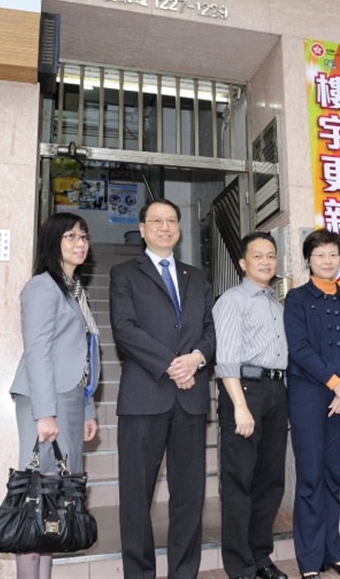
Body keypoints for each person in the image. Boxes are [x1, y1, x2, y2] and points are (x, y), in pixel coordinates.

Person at [109, 198, 216, 579]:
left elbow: (209, 330)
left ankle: (183, 573)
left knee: (189, 497)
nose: (165, 227)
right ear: (142, 229)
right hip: (144, 397)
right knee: (137, 497)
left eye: (172, 220)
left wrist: (197, 359)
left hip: (191, 398)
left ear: (179, 228)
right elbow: (125, 330)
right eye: (156, 221)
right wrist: (173, 364)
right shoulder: (124, 274)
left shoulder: (197, 276)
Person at [9, 212, 100, 579]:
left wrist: (88, 405)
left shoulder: (74, 289)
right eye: (70, 237)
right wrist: (45, 413)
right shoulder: (42, 287)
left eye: (84, 236)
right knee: (35, 497)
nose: (80, 243)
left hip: (71, 399)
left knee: (55, 501)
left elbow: (83, 355)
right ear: (52, 242)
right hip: (45, 400)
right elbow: (37, 351)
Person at [284, 229, 340, 579]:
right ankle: (311, 561)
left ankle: (334, 552)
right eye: (320, 255)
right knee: (311, 476)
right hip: (308, 396)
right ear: (308, 260)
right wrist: (336, 384)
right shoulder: (297, 298)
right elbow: (299, 348)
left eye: (333, 254)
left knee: (333, 475)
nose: (327, 261)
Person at [213, 232, 289, 579]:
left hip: (276, 390)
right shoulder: (232, 300)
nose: (265, 261)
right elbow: (226, 358)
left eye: (271, 255)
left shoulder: (277, 303)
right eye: (257, 256)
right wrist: (240, 406)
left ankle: (260, 557)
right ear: (243, 263)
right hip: (243, 391)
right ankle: (240, 565)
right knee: (239, 482)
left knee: (270, 482)